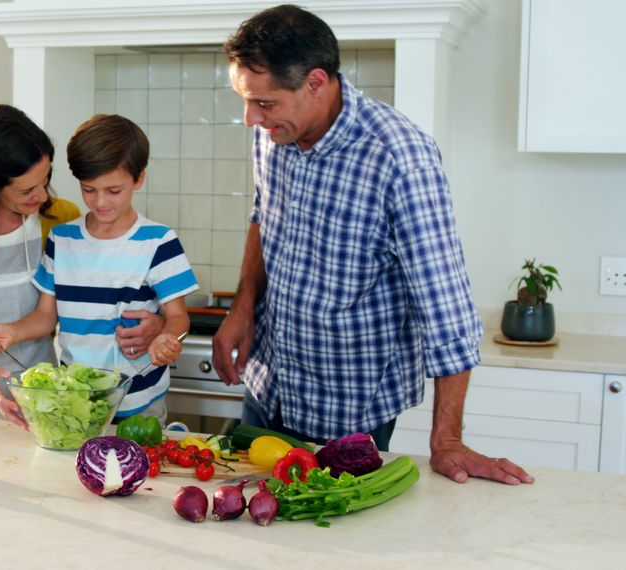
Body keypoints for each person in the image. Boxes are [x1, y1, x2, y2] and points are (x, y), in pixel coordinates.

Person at [214, 5, 534, 485]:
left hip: (348, 405)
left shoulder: (399, 157)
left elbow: (446, 308)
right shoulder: (274, 133)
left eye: (264, 102)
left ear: (316, 82)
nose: (250, 118)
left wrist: (446, 440)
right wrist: (243, 304)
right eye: (246, 100)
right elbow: (264, 218)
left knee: (326, 544)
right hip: (269, 383)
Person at [0, 105, 164, 428]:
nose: (42, 196)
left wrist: (157, 323)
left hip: (42, 410)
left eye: (46, 180)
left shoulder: (60, 221)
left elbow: (106, 292)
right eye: (27, 190)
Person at [0, 114, 198, 420]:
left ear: (139, 178)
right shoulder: (62, 239)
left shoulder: (159, 242)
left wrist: (165, 339)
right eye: (89, 189)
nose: (101, 201)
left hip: (139, 407)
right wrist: (12, 331)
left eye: (113, 190)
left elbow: (178, 317)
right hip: (77, 403)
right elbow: (44, 317)